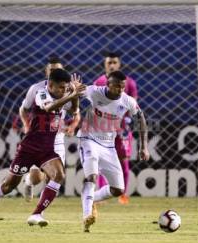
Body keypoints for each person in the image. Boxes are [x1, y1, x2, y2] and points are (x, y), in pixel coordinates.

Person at [0, 68, 85, 232]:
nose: (63, 90)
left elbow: (74, 111)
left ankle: (37, 213)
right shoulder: (41, 93)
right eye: (61, 87)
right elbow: (49, 108)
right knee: (8, 186)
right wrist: (71, 95)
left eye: (66, 87)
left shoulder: (65, 95)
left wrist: (75, 95)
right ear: (50, 85)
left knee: (59, 175)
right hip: (29, 148)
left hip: (47, 150)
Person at [78, 71, 149, 232]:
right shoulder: (95, 92)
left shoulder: (127, 101)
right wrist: (74, 91)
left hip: (108, 146)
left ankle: (90, 199)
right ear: (108, 85)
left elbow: (141, 118)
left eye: (123, 87)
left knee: (118, 190)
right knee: (92, 176)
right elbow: (76, 93)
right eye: (117, 86)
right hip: (88, 140)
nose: (120, 90)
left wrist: (144, 146)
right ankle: (87, 215)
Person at [20, 58, 80, 202]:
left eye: (57, 69)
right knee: (36, 177)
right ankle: (28, 181)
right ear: (46, 72)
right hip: (38, 136)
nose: (54, 72)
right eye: (51, 70)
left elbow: (75, 112)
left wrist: (72, 126)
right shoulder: (36, 89)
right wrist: (26, 125)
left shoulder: (68, 88)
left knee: (54, 178)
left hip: (57, 137)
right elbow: (23, 109)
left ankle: (39, 212)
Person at [94, 52, 138, 204]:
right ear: (105, 65)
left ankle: (122, 194)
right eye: (109, 63)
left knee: (123, 159)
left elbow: (133, 106)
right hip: (104, 128)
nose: (112, 65)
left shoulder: (129, 83)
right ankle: (102, 195)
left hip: (122, 127)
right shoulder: (99, 82)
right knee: (101, 160)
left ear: (119, 64)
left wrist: (125, 120)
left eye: (114, 62)